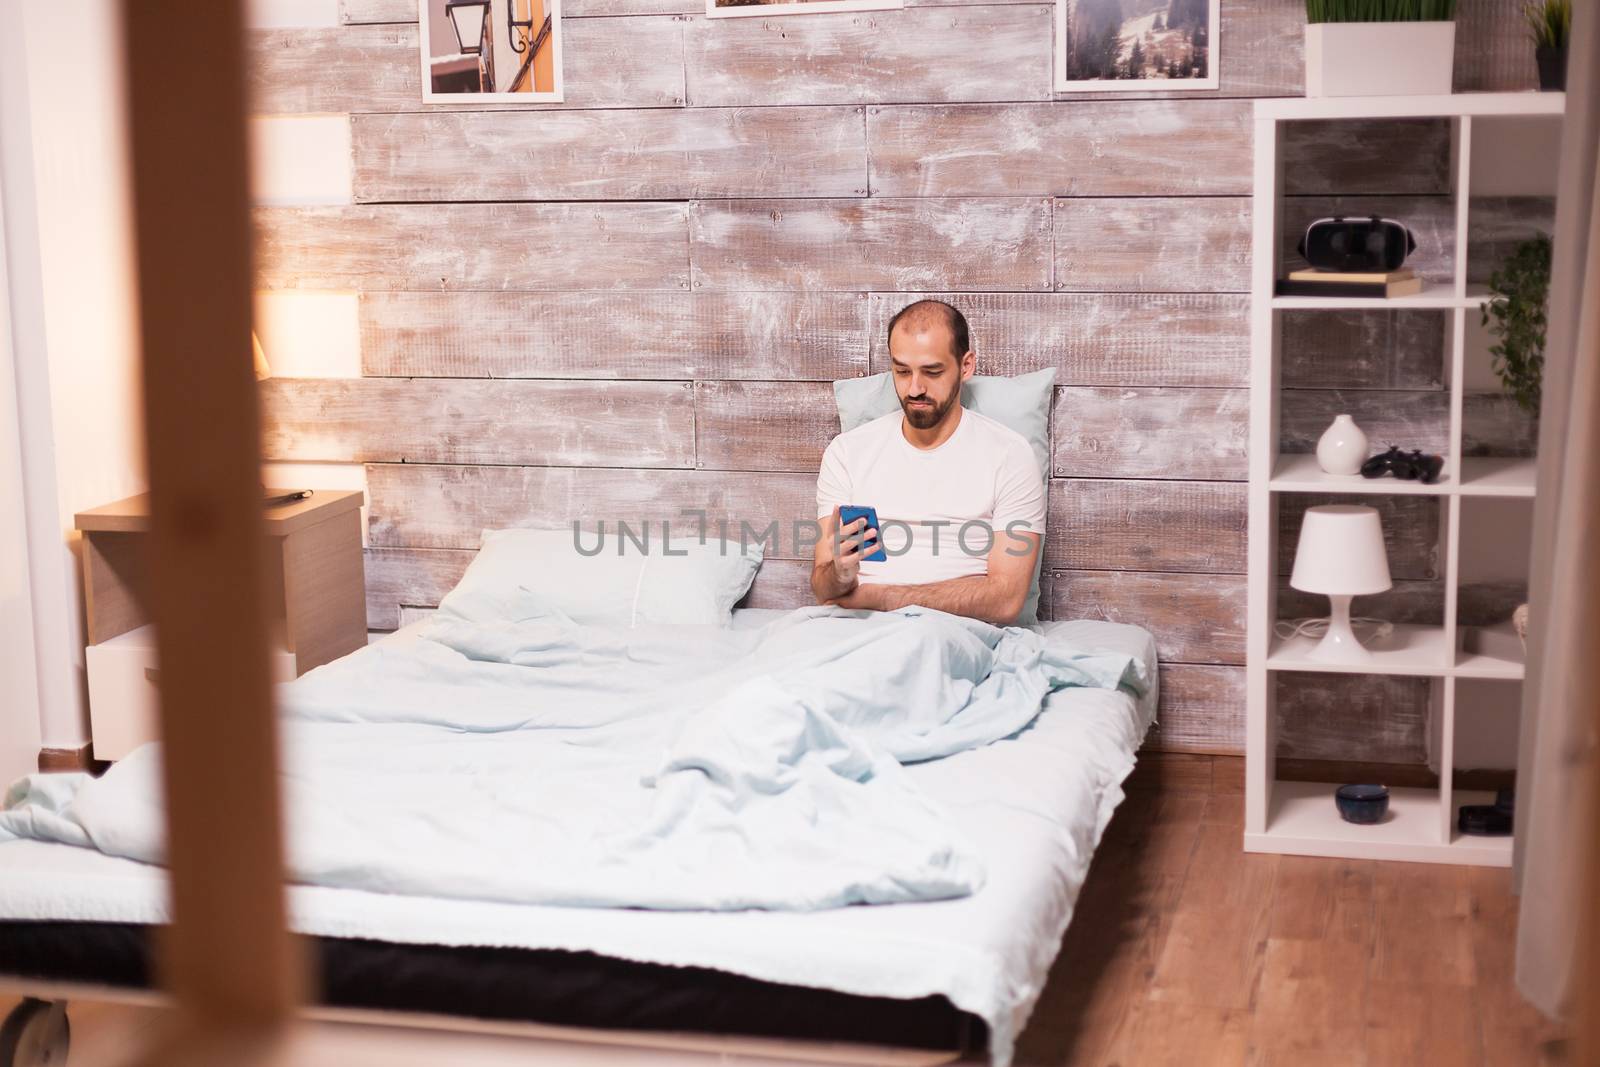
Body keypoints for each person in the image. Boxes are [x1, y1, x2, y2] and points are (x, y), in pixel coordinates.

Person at [811, 299, 1045, 625]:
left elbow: (1006, 600)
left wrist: (882, 597)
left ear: (966, 366)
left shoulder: (1010, 455)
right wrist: (839, 573)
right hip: (855, 628)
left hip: (954, 632)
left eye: (932, 372)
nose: (915, 388)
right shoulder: (847, 452)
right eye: (902, 371)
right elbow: (824, 589)